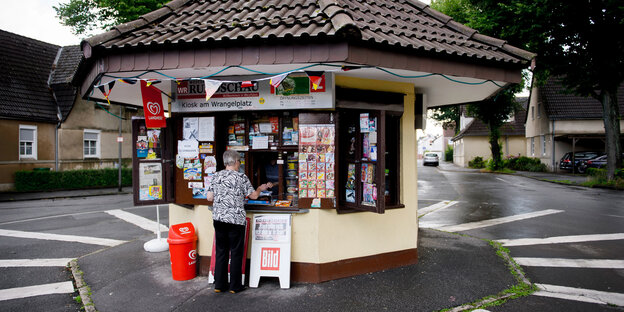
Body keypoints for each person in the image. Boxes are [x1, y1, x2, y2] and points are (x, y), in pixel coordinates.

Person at [206, 150, 272, 294]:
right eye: (239, 162)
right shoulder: (241, 177)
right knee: (236, 252)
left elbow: (209, 198)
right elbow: (253, 195)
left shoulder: (216, 176)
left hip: (219, 219)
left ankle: (219, 284)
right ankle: (235, 286)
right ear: (236, 162)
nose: (239, 165)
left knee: (221, 251)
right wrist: (261, 188)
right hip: (235, 220)